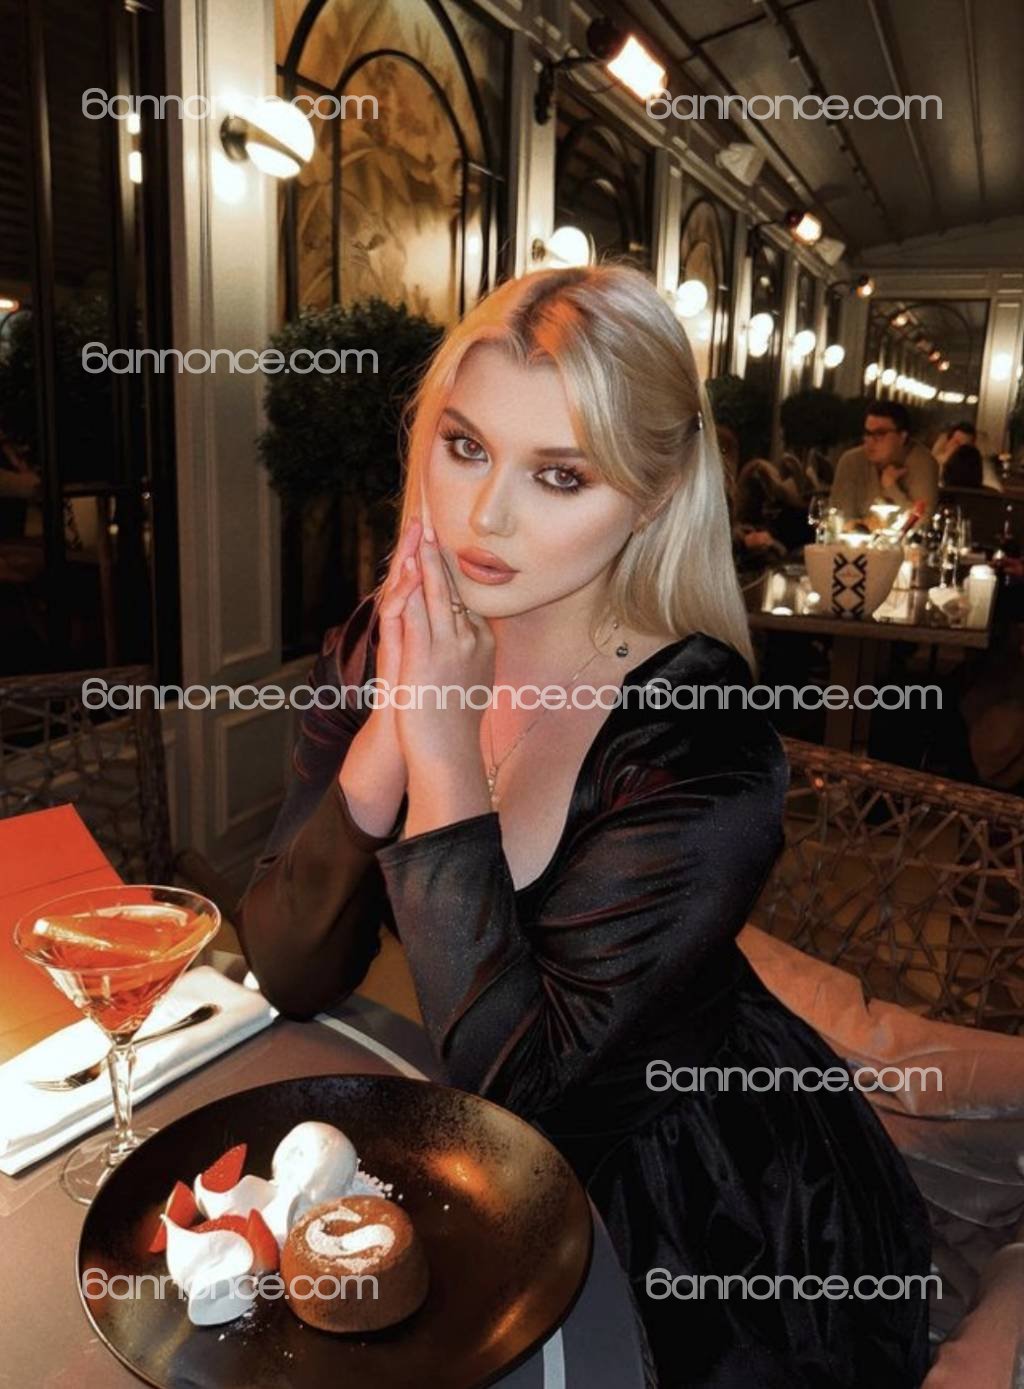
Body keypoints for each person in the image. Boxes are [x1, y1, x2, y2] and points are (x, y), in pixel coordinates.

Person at [238, 266, 931, 1387]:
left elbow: (523, 1108)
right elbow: (286, 968)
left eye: (561, 475)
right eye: (465, 447)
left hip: (700, 1191)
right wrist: (387, 742)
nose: (485, 516)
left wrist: (445, 754)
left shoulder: (700, 736)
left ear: (652, 499)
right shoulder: (389, 641)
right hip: (465, 1156)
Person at [829, 400, 938, 522]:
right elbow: (838, 517)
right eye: (868, 433)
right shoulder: (852, 461)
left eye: (880, 434)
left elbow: (921, 523)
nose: (870, 441)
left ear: (902, 437)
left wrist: (891, 487)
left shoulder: (922, 465)